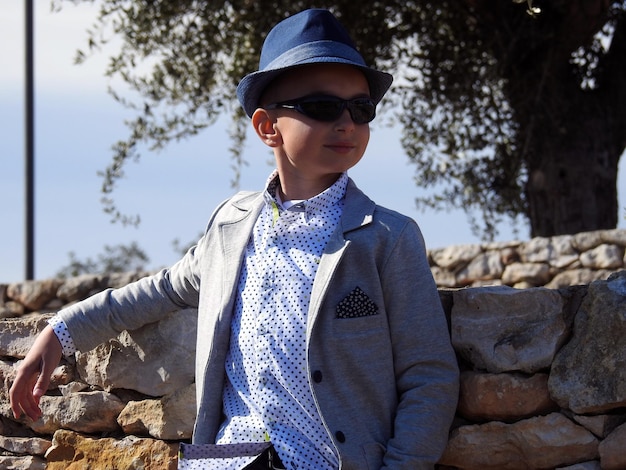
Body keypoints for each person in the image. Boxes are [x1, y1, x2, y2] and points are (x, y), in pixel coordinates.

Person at [10, 8, 459, 470]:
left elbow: (429, 377)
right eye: (323, 108)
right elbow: (162, 289)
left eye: (361, 109)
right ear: (268, 127)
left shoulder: (388, 237)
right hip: (227, 461)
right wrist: (60, 331)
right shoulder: (231, 226)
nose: (347, 122)